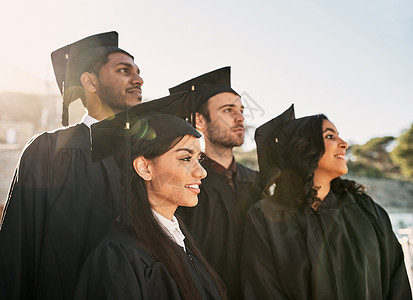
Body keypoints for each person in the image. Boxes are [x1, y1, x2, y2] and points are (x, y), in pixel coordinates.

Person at [0, 31, 143, 300]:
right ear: (89, 81)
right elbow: (17, 249)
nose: (139, 79)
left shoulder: (146, 157)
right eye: (124, 70)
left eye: (137, 71)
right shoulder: (49, 151)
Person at [241, 104, 412, 299]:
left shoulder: (366, 209)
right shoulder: (266, 217)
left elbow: (397, 282)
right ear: (303, 147)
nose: (344, 143)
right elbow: (263, 290)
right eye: (330, 136)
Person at [74, 93, 226, 300]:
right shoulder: (119, 257)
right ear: (144, 168)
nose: (202, 172)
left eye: (199, 159)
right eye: (185, 158)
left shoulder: (179, 241)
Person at [169, 66, 261, 299]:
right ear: (199, 120)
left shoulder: (257, 182)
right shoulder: (182, 181)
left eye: (241, 110)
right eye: (228, 110)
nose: (240, 117)